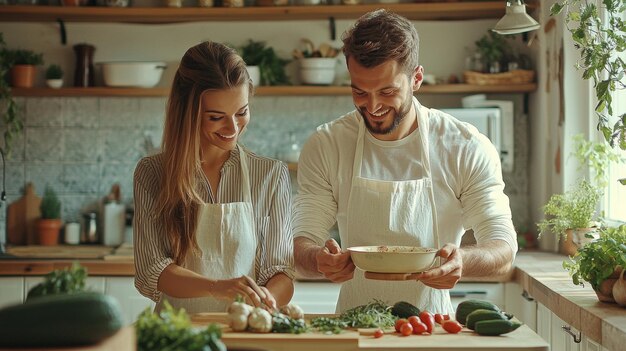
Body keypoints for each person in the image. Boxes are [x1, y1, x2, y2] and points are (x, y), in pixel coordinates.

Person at [292, 10, 518, 314]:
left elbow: (503, 248)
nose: (372, 106)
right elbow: (300, 240)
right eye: (359, 92)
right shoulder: (327, 145)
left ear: (417, 78)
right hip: (354, 328)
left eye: (387, 91)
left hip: (432, 327)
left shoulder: (464, 146)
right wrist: (317, 260)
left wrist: (463, 261)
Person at [134, 41, 294, 314]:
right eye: (216, 117)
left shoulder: (270, 175)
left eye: (241, 112)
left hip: (243, 333)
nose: (233, 128)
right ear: (188, 114)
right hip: (177, 335)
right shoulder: (152, 173)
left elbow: (280, 271)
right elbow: (152, 270)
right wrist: (216, 287)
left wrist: (267, 299)